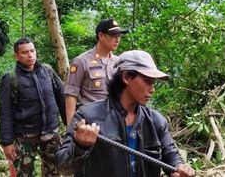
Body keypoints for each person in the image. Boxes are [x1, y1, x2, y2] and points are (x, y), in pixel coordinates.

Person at [56, 50, 195, 177]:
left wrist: (180, 167)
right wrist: (80, 146)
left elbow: (170, 154)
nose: (152, 89)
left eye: (153, 83)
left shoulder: (156, 121)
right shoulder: (87, 116)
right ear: (127, 77)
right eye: (147, 81)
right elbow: (64, 168)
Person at [0, 37, 66, 176]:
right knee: (24, 174)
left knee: (54, 172)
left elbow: (62, 98)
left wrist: (71, 125)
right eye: (25, 52)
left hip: (51, 133)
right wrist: (7, 142)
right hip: (25, 137)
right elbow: (5, 111)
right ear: (16, 56)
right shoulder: (10, 78)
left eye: (32, 51)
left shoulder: (47, 71)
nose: (30, 55)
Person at [64, 18, 128, 124]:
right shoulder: (81, 61)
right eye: (113, 35)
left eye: (119, 36)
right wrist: (71, 128)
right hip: (91, 121)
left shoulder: (119, 62)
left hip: (116, 121)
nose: (117, 39)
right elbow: (71, 95)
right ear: (101, 36)